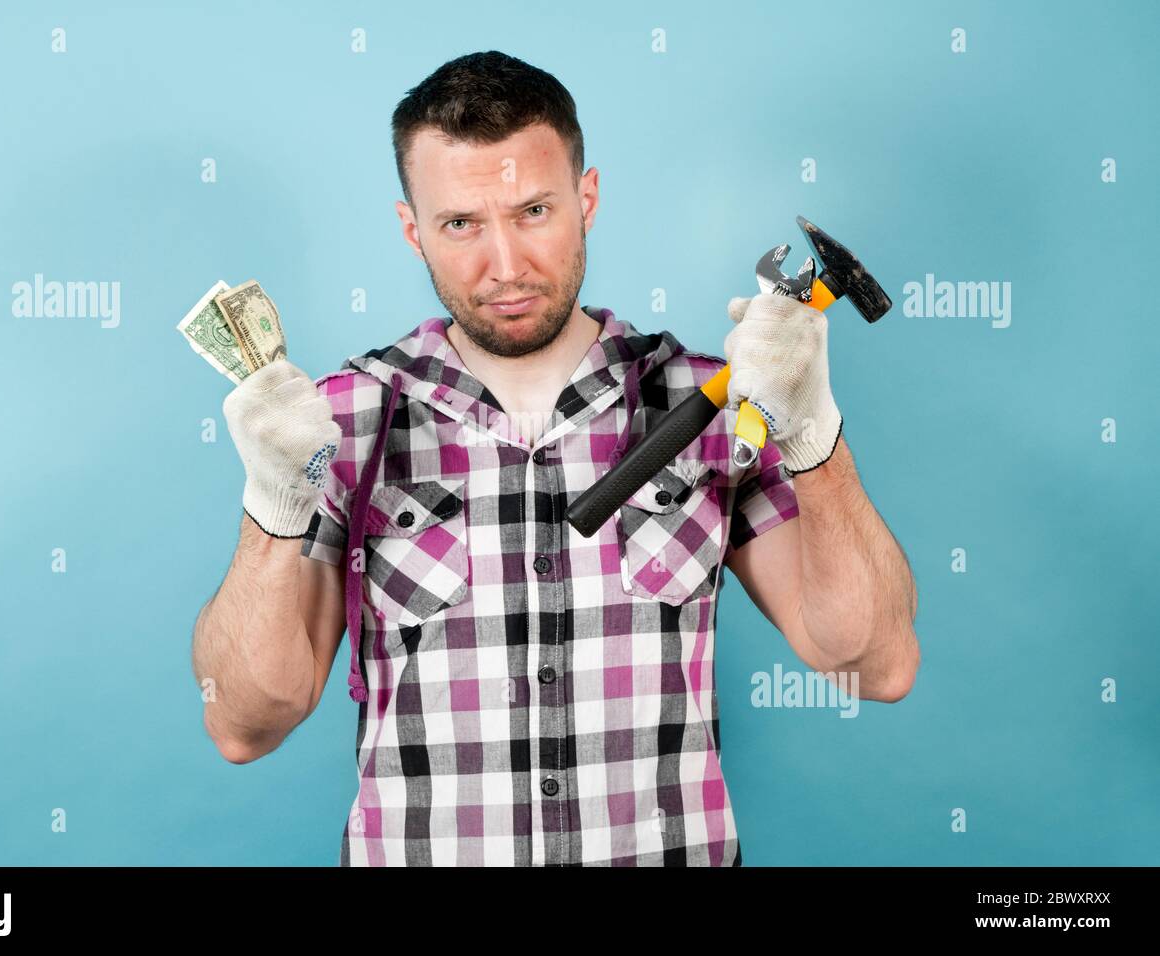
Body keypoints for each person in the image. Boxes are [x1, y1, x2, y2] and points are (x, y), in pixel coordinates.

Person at [191, 50, 920, 866]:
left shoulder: (713, 401)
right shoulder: (342, 421)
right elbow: (244, 726)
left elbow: (875, 662)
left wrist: (814, 434)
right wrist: (273, 509)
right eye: (460, 223)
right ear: (412, 231)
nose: (504, 266)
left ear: (587, 199)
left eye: (533, 211)